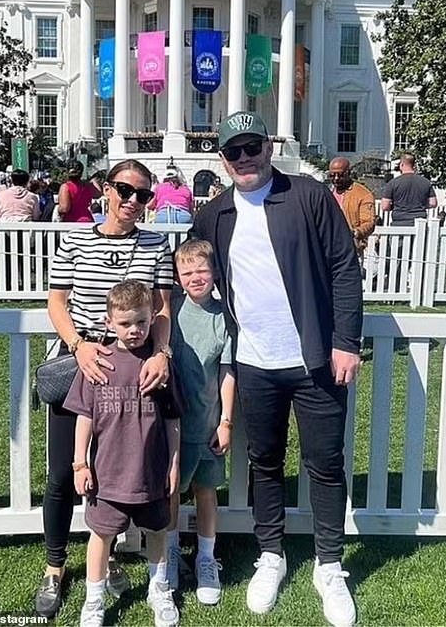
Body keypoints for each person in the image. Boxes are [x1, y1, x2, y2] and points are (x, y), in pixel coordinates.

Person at [191, 111, 362, 626]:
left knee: (324, 463)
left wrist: (346, 341)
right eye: (234, 151)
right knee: (264, 461)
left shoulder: (308, 196)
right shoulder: (214, 215)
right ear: (223, 159)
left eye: (253, 148)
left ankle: (329, 565)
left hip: (315, 359)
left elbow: (343, 268)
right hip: (254, 363)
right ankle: (272, 554)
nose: (245, 159)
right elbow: (193, 275)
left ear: (269, 147)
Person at [36, 159, 174, 619]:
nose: (132, 201)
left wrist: (161, 353)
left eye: (142, 195)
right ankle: (55, 567)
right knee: (64, 473)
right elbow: (57, 300)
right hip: (85, 361)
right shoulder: (74, 238)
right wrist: (78, 346)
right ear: (105, 190)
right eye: (124, 190)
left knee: (122, 465)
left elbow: (161, 310)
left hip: (135, 366)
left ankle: (109, 553)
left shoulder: (155, 243)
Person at [64, 280, 181, 627]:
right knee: (101, 536)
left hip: (151, 471)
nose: (134, 330)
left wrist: (173, 464)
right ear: (108, 322)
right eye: (126, 323)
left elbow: (174, 419)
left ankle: (159, 590)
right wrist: (80, 463)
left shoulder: (159, 366)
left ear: (151, 319)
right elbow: (84, 416)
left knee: (157, 532)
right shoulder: (98, 363)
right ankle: (94, 600)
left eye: (142, 322)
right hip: (107, 475)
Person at [166, 239, 235, 605]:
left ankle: (207, 558)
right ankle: (172, 552)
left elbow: (227, 372)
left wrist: (225, 421)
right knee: (173, 491)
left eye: (202, 270)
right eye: (187, 272)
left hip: (208, 423)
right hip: (174, 425)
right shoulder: (170, 313)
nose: (195, 277)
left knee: (207, 492)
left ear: (214, 273)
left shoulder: (225, 317)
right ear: (178, 276)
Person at [0, 169, 40, 290]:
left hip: (5, 230)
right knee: (24, 260)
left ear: (11, 180)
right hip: (24, 231)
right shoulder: (32, 197)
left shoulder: (1, 195)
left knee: (6, 260)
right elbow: (36, 215)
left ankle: (6, 287)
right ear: (27, 181)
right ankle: (25, 287)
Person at [328, 157, 376, 266]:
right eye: (332, 175)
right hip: (327, 249)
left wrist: (355, 233)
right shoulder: (326, 192)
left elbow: (369, 223)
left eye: (340, 175)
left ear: (349, 173)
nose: (336, 178)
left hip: (351, 250)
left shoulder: (363, 194)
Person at [380, 152, 437, 225]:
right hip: (420, 224)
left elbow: (385, 206)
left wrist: (394, 207)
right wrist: (421, 205)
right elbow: (433, 203)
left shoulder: (393, 183)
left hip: (399, 224)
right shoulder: (426, 182)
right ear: (413, 165)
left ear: (402, 164)